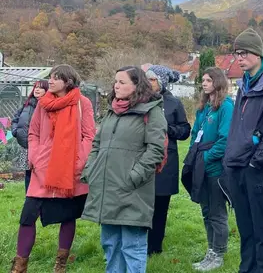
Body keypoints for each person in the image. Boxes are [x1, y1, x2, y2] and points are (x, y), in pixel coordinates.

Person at [10, 64, 96, 273]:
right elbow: (33, 133)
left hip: (69, 171)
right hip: (41, 170)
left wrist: (78, 163)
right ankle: (20, 265)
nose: (51, 81)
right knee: (28, 216)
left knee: (67, 216)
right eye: (51, 77)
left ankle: (60, 264)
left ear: (68, 81)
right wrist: (35, 158)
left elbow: (89, 136)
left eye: (56, 78)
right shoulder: (43, 103)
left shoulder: (82, 104)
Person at [81, 66, 167, 273]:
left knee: (132, 246)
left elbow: (156, 150)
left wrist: (134, 176)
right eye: (115, 81)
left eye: (122, 82)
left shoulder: (152, 112)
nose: (116, 86)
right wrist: (91, 169)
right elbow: (97, 144)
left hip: (132, 190)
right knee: (110, 244)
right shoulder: (112, 111)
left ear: (136, 86)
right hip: (107, 188)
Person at [224, 28, 263, 273]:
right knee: (246, 231)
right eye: (237, 53)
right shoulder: (244, 85)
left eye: (244, 52)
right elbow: (237, 126)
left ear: (258, 54)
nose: (239, 57)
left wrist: (255, 163)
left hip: (257, 171)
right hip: (238, 167)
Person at [189, 67, 234, 271]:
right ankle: (211, 251)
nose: (204, 83)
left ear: (218, 82)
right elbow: (195, 133)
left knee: (217, 213)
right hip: (200, 166)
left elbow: (225, 140)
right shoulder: (204, 107)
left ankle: (219, 254)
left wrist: (206, 158)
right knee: (206, 211)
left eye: (208, 80)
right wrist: (193, 155)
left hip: (215, 169)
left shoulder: (226, 107)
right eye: (203, 80)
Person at [144, 65, 191, 256]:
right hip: (143, 160)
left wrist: (168, 129)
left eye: (153, 79)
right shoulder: (139, 100)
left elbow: (185, 131)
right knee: (143, 205)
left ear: (161, 82)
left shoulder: (173, 103)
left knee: (160, 207)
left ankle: (155, 247)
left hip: (166, 163)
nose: (149, 83)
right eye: (146, 79)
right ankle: (140, 244)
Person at [11, 80, 49, 192]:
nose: (37, 89)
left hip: (40, 146)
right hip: (25, 145)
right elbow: (15, 118)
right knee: (28, 172)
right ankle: (28, 196)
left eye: (40, 88)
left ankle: (40, 196)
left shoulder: (47, 105)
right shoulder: (27, 104)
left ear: (46, 90)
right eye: (35, 87)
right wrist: (15, 131)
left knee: (39, 172)